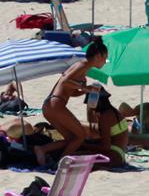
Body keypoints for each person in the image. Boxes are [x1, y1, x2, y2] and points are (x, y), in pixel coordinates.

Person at [33, 37, 107, 166]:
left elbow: (72, 92)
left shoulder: (83, 69)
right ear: (98, 55)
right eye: (105, 57)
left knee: (72, 138)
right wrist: (84, 87)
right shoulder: (82, 64)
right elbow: (65, 80)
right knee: (80, 136)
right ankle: (61, 163)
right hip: (55, 105)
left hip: (50, 106)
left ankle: (42, 149)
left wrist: (86, 91)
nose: (105, 62)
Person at [77, 89, 128, 168]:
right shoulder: (113, 111)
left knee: (77, 155)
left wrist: (84, 145)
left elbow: (105, 147)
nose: (89, 105)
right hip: (119, 153)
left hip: (114, 156)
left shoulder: (105, 117)